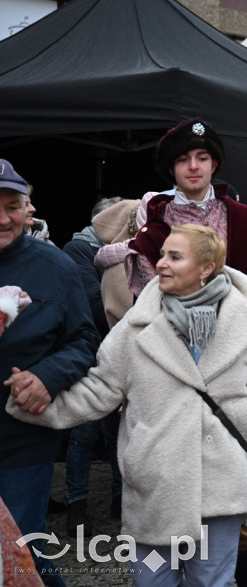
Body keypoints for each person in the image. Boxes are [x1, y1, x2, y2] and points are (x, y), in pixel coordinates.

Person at [7, 225, 247, 586]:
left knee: (212, 583)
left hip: (221, 481)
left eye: (174, 257)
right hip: (156, 484)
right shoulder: (136, 326)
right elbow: (100, 389)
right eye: (162, 254)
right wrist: (34, 402)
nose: (160, 263)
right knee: (152, 582)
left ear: (206, 267)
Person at [111, 118, 247, 585]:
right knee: (168, 499)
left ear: (215, 162)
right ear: (171, 168)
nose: (194, 166)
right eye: (183, 159)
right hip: (173, 377)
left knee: (236, 497)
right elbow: (139, 300)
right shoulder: (154, 222)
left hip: (233, 375)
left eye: (202, 157)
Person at [0, 159, 100, 587]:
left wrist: (48, 377)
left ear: (29, 208)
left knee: (20, 548)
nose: (4, 218)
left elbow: (84, 340)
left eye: (13, 205)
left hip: (22, 434)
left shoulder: (55, 266)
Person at [61, 197, 125, 536]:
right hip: (87, 352)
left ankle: (119, 499)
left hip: (118, 353)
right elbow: (92, 301)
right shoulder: (79, 249)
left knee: (118, 431)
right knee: (83, 431)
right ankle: (77, 504)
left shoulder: (124, 250)